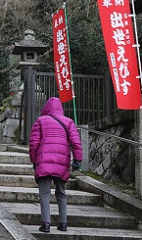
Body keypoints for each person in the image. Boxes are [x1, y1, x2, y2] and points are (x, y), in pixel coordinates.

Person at [28, 97, 83, 233]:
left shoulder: (40, 121)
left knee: (44, 194)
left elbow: (33, 143)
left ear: (46, 108)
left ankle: (46, 224)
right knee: (61, 193)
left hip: (44, 161)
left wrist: (34, 160)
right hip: (62, 161)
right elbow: (76, 142)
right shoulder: (69, 122)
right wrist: (78, 159)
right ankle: (63, 223)